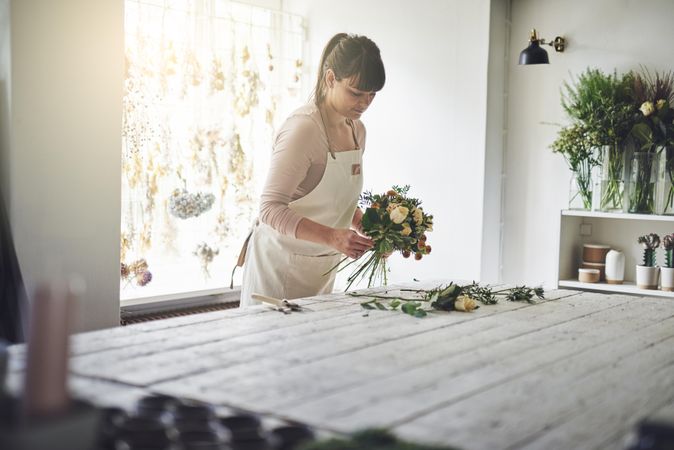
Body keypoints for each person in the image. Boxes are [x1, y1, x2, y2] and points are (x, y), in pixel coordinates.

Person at [238, 32, 385, 306]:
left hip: (321, 267)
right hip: (278, 265)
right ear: (330, 79)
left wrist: (375, 232)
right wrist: (332, 236)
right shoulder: (304, 129)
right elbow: (270, 208)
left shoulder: (357, 131)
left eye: (372, 95)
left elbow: (336, 201)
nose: (365, 103)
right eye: (356, 93)